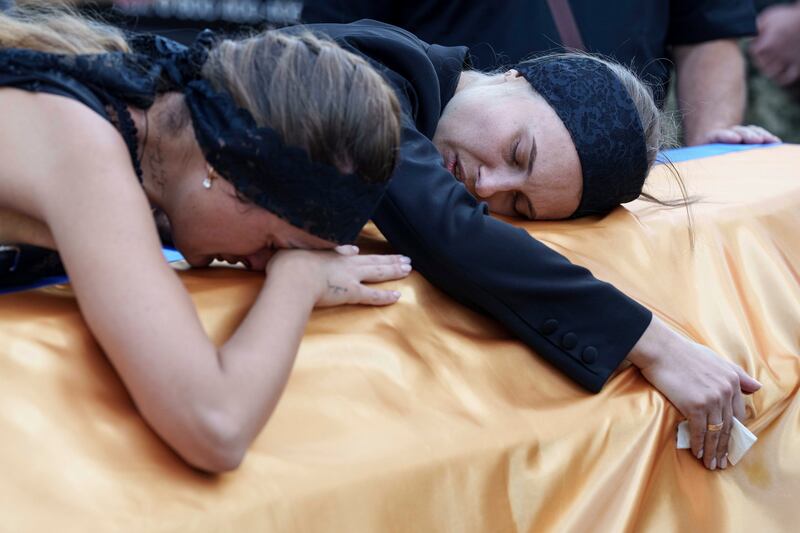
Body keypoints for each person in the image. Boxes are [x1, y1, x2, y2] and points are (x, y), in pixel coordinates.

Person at [285, 19, 763, 471]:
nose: (488, 187)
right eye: (519, 152)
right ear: (515, 77)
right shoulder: (369, 70)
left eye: (518, 205)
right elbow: (450, 233)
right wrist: (657, 346)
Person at [0, 7, 411, 472]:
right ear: (226, 173)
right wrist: (298, 282)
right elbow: (215, 427)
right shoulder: (86, 151)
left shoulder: (129, 103)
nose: (260, 264)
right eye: (276, 245)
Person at [301, 0, 780, 146]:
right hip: (461, 180)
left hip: (631, 182)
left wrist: (712, 152)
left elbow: (708, 34)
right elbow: (339, 59)